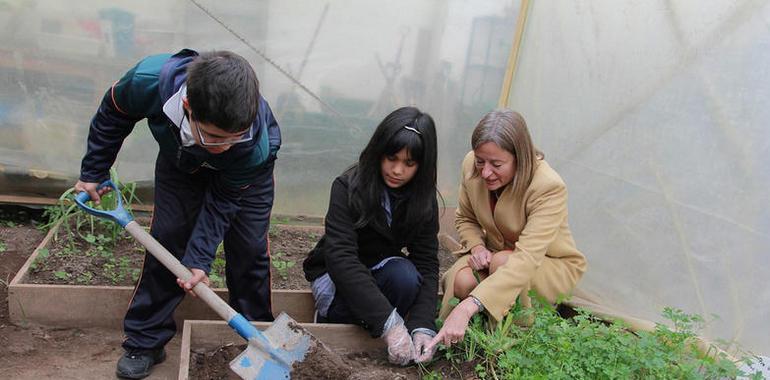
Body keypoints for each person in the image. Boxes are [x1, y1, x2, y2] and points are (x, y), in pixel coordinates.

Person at [75, 49, 280, 379]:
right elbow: (114, 113)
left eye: (233, 137)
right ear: (187, 107)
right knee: (168, 239)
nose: (224, 145)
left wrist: (199, 259)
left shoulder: (254, 144)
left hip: (244, 178)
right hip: (181, 164)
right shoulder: (148, 81)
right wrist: (94, 170)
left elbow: (222, 202)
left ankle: (257, 339)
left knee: (249, 250)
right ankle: (145, 341)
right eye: (214, 136)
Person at [427, 109, 587, 350]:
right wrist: (478, 246)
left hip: (548, 265)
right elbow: (466, 218)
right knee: (461, 281)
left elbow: (526, 258)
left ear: (520, 158)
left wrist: (468, 305)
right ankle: (459, 338)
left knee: (502, 263)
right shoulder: (472, 165)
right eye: (481, 161)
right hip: (494, 254)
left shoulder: (547, 187)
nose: (486, 172)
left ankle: (511, 341)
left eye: (497, 164)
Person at [302, 106, 441, 365]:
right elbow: (341, 258)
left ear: (421, 166)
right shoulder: (347, 187)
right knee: (363, 299)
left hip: (379, 271)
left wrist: (422, 324)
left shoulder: (423, 201)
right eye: (391, 158)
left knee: (406, 278)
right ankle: (333, 323)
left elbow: (427, 263)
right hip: (334, 277)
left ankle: (373, 329)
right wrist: (392, 325)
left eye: (409, 163)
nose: (397, 170)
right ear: (379, 151)